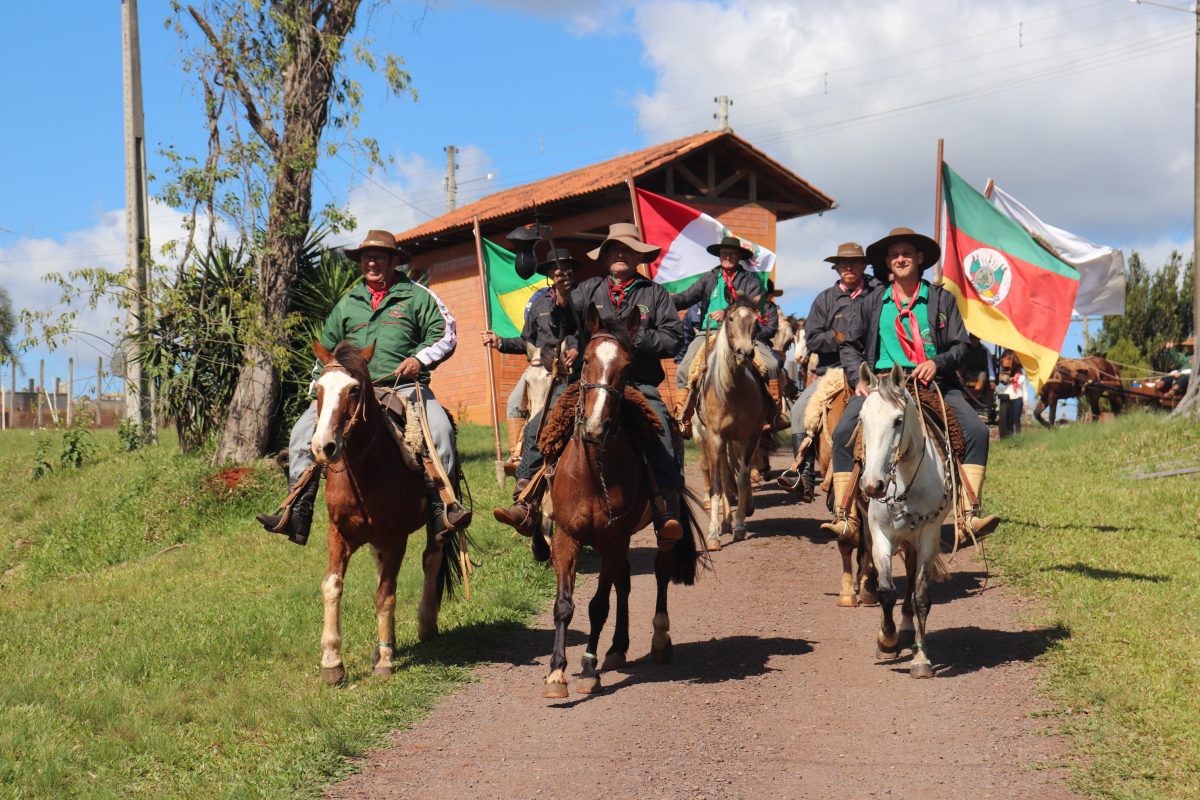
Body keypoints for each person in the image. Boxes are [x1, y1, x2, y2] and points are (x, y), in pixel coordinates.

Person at [256, 229, 464, 546]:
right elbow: (324, 353)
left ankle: (443, 509)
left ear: (395, 261)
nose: (372, 263)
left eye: (379, 257)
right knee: (301, 434)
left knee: (440, 430)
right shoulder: (348, 303)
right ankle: (297, 511)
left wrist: (419, 360)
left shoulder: (416, 296)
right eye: (367, 257)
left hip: (403, 387)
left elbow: (445, 334)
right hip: (348, 392)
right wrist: (319, 396)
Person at [493, 223, 686, 544]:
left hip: (636, 383)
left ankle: (667, 507)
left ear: (638, 256)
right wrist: (565, 301)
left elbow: (672, 339)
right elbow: (563, 324)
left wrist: (635, 337)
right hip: (589, 382)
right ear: (606, 256)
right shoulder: (589, 290)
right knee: (543, 421)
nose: (620, 253)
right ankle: (526, 500)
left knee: (662, 426)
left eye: (627, 249)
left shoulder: (655, 294)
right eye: (614, 249)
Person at [821, 227, 1000, 543]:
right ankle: (845, 516)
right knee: (844, 430)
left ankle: (969, 515)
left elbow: (960, 344)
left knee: (976, 431)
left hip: (934, 382)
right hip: (882, 384)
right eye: (894, 254)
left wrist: (937, 362)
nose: (900, 258)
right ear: (887, 263)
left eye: (906, 253)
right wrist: (856, 379)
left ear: (919, 259)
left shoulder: (942, 299)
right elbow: (849, 344)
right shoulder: (873, 301)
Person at [782, 242, 875, 495]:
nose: (849, 267)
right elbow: (812, 339)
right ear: (836, 267)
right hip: (832, 371)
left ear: (865, 265)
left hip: (873, 370)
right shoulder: (825, 299)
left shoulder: (878, 292)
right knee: (800, 411)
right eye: (844, 263)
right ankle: (804, 472)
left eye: (855, 262)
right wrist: (841, 339)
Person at [671, 235, 784, 432]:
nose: (728, 257)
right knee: (684, 370)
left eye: (732, 253)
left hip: (742, 334)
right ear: (719, 255)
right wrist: (661, 298)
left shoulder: (750, 280)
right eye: (724, 253)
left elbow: (751, 306)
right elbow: (685, 298)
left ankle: (774, 415)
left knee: (772, 364)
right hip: (710, 332)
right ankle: (683, 418)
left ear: (739, 255)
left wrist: (727, 312)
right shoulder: (709, 278)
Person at [481, 249, 579, 464]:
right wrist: (500, 342)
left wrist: (576, 347)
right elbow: (528, 339)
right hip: (539, 365)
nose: (561, 272)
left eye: (566, 267)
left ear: (572, 272)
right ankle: (519, 455)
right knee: (515, 401)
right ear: (550, 273)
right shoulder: (539, 302)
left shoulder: (583, 295)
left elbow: (584, 331)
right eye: (556, 268)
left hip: (572, 365)